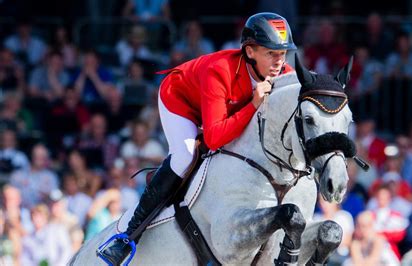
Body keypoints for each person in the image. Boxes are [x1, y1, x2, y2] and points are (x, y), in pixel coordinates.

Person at [98, 12, 297, 265]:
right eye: (271, 53)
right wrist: (254, 104)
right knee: (186, 156)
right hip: (180, 100)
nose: (279, 62)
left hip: (219, 109)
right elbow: (214, 138)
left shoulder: (284, 73)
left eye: (283, 53)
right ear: (250, 52)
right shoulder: (219, 71)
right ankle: (127, 237)